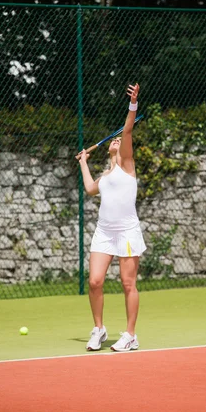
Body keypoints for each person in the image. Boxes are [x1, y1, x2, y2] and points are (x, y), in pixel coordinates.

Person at [76, 82, 146, 352]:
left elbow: (127, 128)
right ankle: (99, 329)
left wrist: (133, 103)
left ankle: (130, 335)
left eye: (118, 140)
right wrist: (83, 162)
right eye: (113, 141)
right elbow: (90, 189)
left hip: (127, 231)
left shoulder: (127, 165)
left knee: (128, 283)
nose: (115, 140)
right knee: (94, 281)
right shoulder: (106, 176)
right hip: (104, 232)